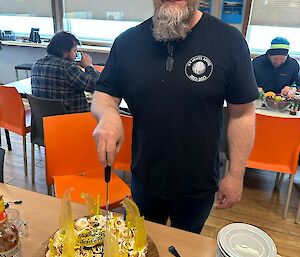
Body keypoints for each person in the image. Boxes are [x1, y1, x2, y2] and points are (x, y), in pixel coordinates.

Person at [91, 0, 258, 234]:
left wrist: (236, 174)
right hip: (144, 176)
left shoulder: (229, 41)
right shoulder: (127, 42)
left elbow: (242, 114)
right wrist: (108, 114)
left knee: (187, 244)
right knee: (141, 242)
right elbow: (104, 93)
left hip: (199, 183)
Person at [31, 31, 100, 113]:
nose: (76, 55)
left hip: (45, 121)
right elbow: (97, 85)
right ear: (64, 52)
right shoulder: (68, 67)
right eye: (74, 51)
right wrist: (89, 66)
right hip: (71, 120)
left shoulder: (37, 64)